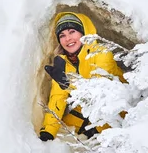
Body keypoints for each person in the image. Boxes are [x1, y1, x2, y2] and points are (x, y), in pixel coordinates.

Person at [39, 12, 125, 141]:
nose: (67, 39)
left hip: (116, 109)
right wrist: (48, 131)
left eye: (72, 31)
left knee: (101, 141)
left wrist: (67, 84)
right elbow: (58, 97)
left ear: (83, 32)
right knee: (64, 134)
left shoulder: (101, 53)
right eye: (62, 35)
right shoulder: (63, 63)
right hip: (86, 109)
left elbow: (99, 93)